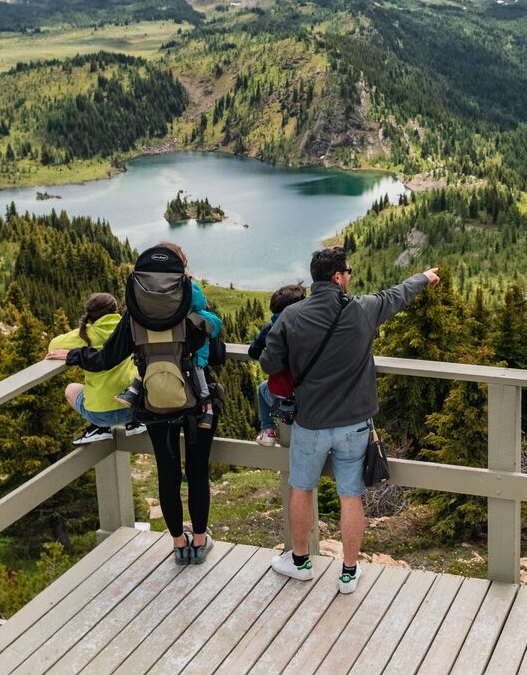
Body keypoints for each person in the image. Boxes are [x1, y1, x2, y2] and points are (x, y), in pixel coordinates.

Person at [262, 247, 439, 593]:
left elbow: (270, 363)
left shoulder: (292, 315)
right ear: (338, 277)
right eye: (349, 271)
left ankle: (299, 562)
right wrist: (423, 278)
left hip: (310, 422)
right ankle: (348, 572)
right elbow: (397, 295)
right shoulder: (362, 309)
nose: (350, 277)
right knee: (350, 495)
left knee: (301, 489)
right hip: (355, 424)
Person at [47, 243, 223, 566]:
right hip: (197, 404)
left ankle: (178, 544)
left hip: (154, 406)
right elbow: (219, 353)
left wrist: (71, 355)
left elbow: (104, 359)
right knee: (197, 472)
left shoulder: (134, 318)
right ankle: (200, 541)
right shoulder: (192, 315)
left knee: (167, 475)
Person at [115, 277, 222, 427]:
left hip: (185, 357)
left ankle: (132, 393)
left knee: (145, 366)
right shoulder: (197, 317)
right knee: (201, 384)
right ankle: (207, 413)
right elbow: (217, 325)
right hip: (193, 358)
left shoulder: (176, 317)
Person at [46, 292, 146, 445]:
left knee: (71, 389)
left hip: (100, 414)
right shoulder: (127, 328)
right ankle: (133, 424)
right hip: (134, 407)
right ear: (115, 310)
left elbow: (53, 345)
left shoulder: (87, 334)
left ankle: (99, 428)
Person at [249, 283, 307, 446]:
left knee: (262, 388)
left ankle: (268, 431)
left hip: (280, 395)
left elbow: (253, 352)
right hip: (307, 396)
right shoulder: (307, 328)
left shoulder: (270, 328)